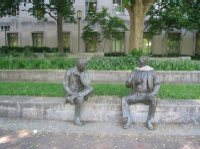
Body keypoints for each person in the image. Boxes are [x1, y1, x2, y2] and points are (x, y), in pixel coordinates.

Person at [121, 57, 160, 130]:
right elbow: (127, 84)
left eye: (142, 62)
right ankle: (128, 120)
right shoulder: (135, 71)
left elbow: (157, 84)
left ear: (146, 62)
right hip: (136, 94)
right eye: (140, 62)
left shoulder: (151, 72)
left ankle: (149, 120)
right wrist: (132, 82)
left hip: (147, 95)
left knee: (154, 100)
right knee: (124, 99)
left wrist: (153, 93)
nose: (141, 63)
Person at [63, 59, 93, 126]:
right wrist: (71, 93)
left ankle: (78, 95)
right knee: (80, 99)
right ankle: (77, 118)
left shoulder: (85, 72)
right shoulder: (69, 71)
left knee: (91, 89)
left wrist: (81, 77)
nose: (86, 67)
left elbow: (88, 85)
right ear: (79, 65)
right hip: (71, 94)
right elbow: (65, 85)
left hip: (81, 93)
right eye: (84, 65)